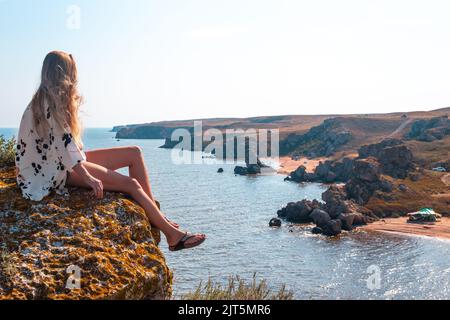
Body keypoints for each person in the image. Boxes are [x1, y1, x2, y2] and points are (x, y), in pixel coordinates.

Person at [15, 51, 206, 251]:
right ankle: (173, 237)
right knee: (131, 184)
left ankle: (155, 215)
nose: (75, 79)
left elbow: (65, 146)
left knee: (134, 152)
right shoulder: (48, 104)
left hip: (58, 163)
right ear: (63, 74)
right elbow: (65, 147)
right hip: (52, 173)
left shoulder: (46, 100)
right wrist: (88, 177)